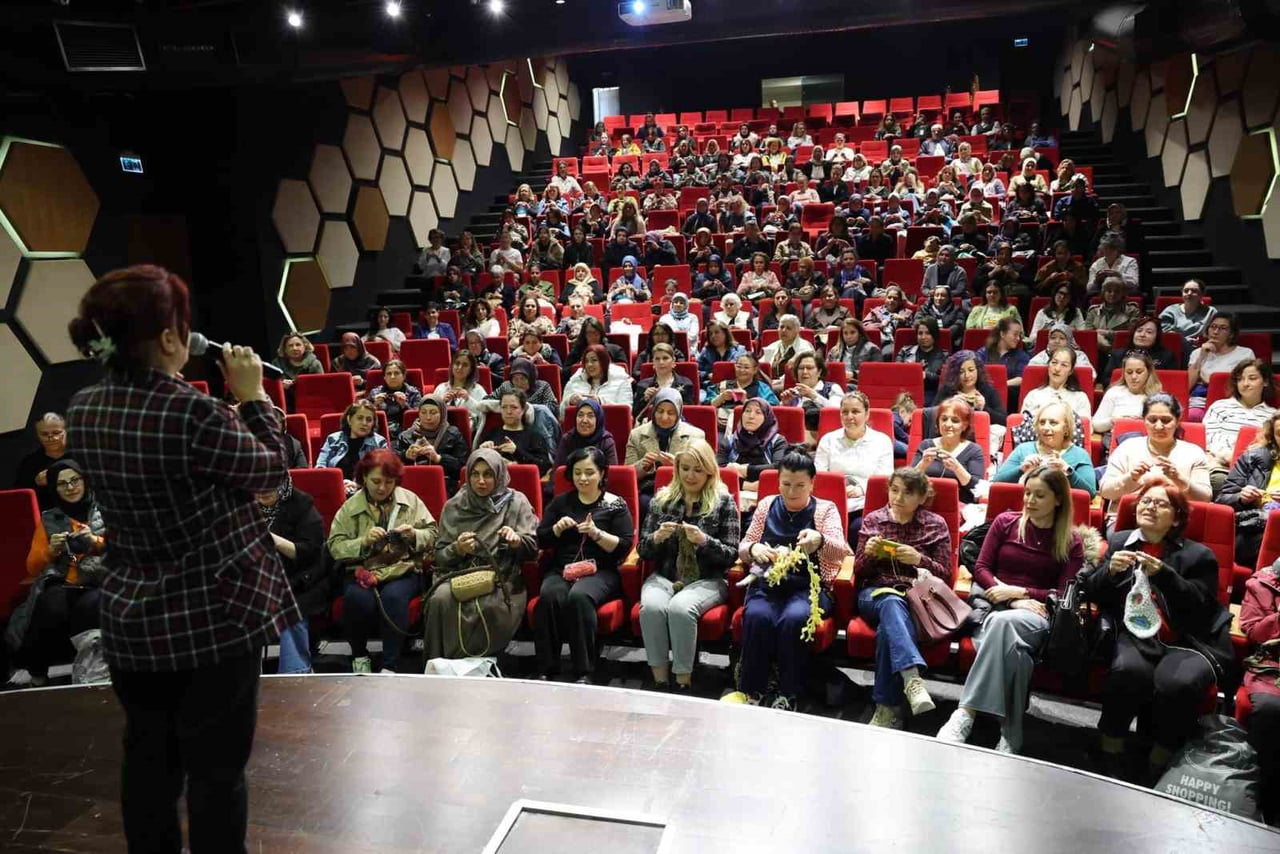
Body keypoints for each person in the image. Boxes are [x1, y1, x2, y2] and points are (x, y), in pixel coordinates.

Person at [65, 265, 296, 852]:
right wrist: (254, 397)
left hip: (132, 617)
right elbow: (271, 470)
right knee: (217, 773)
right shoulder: (190, 412)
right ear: (170, 337)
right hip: (210, 620)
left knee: (149, 764)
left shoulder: (84, 407)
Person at [1083, 482, 1234, 783]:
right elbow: (1093, 593)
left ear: (1176, 518)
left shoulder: (1199, 555)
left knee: (1178, 682)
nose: (1150, 507)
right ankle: (1110, 751)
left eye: (1160, 504)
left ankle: (1159, 761)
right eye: (1145, 501)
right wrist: (1109, 572)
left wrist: (1165, 575)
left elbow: (1200, 607)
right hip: (1137, 633)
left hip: (1189, 640)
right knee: (1128, 671)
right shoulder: (1121, 541)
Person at [938, 467, 1088, 752]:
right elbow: (981, 568)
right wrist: (1010, 599)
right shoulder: (1005, 522)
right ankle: (1011, 730)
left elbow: (1064, 593)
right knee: (1017, 655)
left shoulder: (1071, 541)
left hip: (1038, 616)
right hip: (993, 608)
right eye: (1027, 493)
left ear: (1058, 500)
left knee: (1004, 625)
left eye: (1039, 495)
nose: (1030, 500)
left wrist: (1021, 593)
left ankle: (966, 713)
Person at [729, 452, 850, 710]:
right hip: (767, 582)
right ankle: (753, 690)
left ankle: (789, 692)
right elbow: (745, 544)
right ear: (778, 482)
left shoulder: (826, 509)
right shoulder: (767, 505)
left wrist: (820, 540)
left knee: (793, 619)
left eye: (800, 485)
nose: (792, 491)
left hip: (809, 587)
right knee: (758, 616)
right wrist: (753, 549)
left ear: (812, 484)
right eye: (786, 484)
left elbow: (841, 551)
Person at [851, 467, 952, 727]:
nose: (898, 498)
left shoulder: (935, 524)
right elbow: (858, 571)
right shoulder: (874, 520)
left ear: (922, 497)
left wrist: (919, 560)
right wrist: (870, 553)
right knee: (891, 601)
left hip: (918, 599)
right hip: (874, 594)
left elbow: (945, 574)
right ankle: (912, 678)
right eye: (894, 490)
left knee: (889, 627)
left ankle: (887, 708)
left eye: (907, 493)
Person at [636, 439, 738, 692]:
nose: (690, 476)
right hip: (665, 576)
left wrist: (704, 541)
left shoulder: (723, 502)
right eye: (685, 468)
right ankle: (660, 681)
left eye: (698, 470)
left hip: (708, 579)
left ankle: (683, 682)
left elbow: (731, 556)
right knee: (652, 608)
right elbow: (642, 550)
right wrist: (657, 537)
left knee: (681, 608)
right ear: (677, 468)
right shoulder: (662, 500)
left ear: (709, 472)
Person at [327, 450, 436, 674]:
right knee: (357, 599)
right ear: (363, 478)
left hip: (403, 569)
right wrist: (363, 541)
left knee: (393, 597)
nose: (382, 488)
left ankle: (390, 664)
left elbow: (434, 534)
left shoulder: (410, 500)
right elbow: (335, 546)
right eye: (376, 481)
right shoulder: (350, 507)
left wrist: (414, 535)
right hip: (362, 571)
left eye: (389, 482)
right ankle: (359, 655)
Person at [426, 449, 537, 660]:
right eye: (475, 474)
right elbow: (439, 556)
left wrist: (516, 542)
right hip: (458, 574)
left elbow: (532, 548)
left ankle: (480, 664)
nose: (481, 481)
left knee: (488, 606)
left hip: (501, 577)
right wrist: (458, 549)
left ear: (499, 475)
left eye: (488, 474)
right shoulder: (455, 506)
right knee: (440, 599)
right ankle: (442, 664)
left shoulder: (516, 502)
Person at [535, 446, 635, 681]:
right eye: (577, 472)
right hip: (563, 568)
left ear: (602, 473)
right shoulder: (561, 502)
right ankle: (547, 669)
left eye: (589, 472)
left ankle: (584, 670)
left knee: (579, 596)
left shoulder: (615, 504)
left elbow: (624, 546)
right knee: (549, 596)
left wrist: (596, 533)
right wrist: (556, 530)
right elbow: (541, 538)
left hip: (600, 570)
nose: (583, 478)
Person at [10, 460, 105, 687]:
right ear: (54, 488)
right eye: (62, 484)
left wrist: (94, 541)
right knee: (50, 604)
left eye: (75, 480)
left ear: (85, 481)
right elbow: (32, 568)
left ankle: (90, 672)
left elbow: (124, 548)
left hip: (101, 579)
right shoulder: (50, 518)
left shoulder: (107, 510)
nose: (70, 487)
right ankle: (37, 673)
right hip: (65, 582)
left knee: (88, 606)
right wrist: (50, 551)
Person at [1098, 393, 1211, 521]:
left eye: (1166, 420)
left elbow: (1205, 498)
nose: (1159, 426)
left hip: (1174, 521)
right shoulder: (1127, 447)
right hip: (1128, 519)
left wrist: (1179, 479)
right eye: (1152, 420)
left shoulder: (1194, 452)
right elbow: (1106, 492)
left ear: (1177, 421)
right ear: (1144, 420)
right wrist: (1131, 477)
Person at [255, 475, 326, 675]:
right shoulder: (241, 506)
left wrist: (272, 540)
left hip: (298, 579)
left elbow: (310, 552)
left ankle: (295, 674)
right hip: (254, 578)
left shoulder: (301, 504)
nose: (263, 493)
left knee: (288, 605)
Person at [815, 392, 894, 538]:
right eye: (845, 412)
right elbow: (819, 475)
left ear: (867, 414)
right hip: (831, 502)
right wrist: (838, 490)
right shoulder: (828, 440)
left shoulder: (882, 441)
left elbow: (884, 479)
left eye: (855, 411)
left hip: (865, 503)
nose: (849, 416)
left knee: (858, 528)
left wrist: (860, 489)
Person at [1240, 560, 1280, 825]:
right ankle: (1265, 797)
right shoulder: (1262, 584)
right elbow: (1253, 631)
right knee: (1270, 709)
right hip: (1272, 666)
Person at [1217, 411, 1280, 569]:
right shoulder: (1252, 457)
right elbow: (1222, 500)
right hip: (1254, 529)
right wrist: (1241, 497)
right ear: (1273, 436)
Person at [994, 402, 1097, 495]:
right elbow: (996, 483)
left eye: (1053, 423)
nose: (1046, 428)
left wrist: (1067, 470)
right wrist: (1021, 469)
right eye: (1042, 422)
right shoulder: (1023, 449)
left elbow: (1090, 493)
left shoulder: (1080, 455)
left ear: (1066, 428)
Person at [1202, 359, 1276, 485]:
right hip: (1220, 464)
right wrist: (1231, 457)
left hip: (1257, 468)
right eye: (1240, 379)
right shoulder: (1219, 407)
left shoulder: (1272, 415)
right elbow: (1208, 439)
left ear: (1265, 381)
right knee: (1219, 480)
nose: (1245, 384)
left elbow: (1273, 446)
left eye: (1252, 378)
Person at [912, 397, 987, 503]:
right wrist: (923, 465)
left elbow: (977, 488)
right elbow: (908, 481)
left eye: (955, 421)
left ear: (964, 426)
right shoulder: (926, 445)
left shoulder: (974, 450)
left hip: (959, 504)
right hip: (925, 503)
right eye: (944, 419)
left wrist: (957, 468)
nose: (948, 424)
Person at [718, 398, 790, 507]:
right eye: (747, 411)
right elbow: (717, 471)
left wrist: (745, 470)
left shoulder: (777, 441)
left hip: (769, 500)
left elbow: (779, 468)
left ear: (767, 417)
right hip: (732, 498)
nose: (751, 416)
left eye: (758, 412)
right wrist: (748, 486)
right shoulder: (730, 440)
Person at [1188, 313, 1255, 421]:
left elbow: (1245, 385)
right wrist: (1201, 357)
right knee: (1192, 416)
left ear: (1231, 334)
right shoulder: (1197, 353)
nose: (1215, 332)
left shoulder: (1245, 354)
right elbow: (1188, 385)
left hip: (1230, 402)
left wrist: (1208, 381)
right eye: (1213, 327)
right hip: (1200, 403)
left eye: (1222, 328)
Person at [395, 396, 468, 492]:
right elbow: (392, 466)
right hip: (411, 484)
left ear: (442, 414)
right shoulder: (405, 436)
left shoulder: (453, 435)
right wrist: (405, 456)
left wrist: (439, 458)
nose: (428, 417)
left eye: (433, 413)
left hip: (444, 485)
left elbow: (462, 468)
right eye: (423, 412)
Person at [315, 399, 389, 492]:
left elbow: (384, 472)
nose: (364, 423)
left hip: (366, 492)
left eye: (369, 420)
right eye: (360, 418)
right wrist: (337, 484)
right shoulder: (333, 439)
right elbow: (320, 467)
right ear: (349, 419)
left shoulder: (379, 443)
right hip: (333, 490)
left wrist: (358, 484)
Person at [478, 389, 553, 476]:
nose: (508, 412)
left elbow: (544, 467)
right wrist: (481, 452)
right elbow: (475, 465)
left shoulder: (534, 436)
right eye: (504, 407)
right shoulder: (492, 434)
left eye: (514, 407)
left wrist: (516, 452)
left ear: (523, 409)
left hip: (522, 480)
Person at [1093, 353, 1161, 445]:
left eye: (1139, 372)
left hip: (1148, 443)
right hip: (1116, 443)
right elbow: (1096, 425)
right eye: (1129, 372)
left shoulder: (1157, 397)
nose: (1133, 377)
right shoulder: (1114, 392)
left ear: (1148, 372)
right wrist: (1114, 421)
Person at [935, 350, 1008, 431]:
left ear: (978, 371)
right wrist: (950, 404)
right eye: (961, 372)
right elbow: (931, 415)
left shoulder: (988, 391)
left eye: (971, 370)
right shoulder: (947, 391)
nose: (967, 375)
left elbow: (1004, 420)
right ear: (955, 374)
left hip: (981, 433)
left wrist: (984, 408)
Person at [12, 412, 71, 511]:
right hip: (46, 515)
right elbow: (18, 497)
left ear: (66, 432)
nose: (51, 438)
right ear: (37, 435)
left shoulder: (82, 456)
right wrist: (36, 483)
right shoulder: (30, 462)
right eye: (44, 434)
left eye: (56, 433)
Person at [1100, 315, 1179, 384]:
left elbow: (1172, 382)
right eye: (1139, 331)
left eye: (1149, 332)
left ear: (1156, 337)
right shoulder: (1117, 355)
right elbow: (1106, 380)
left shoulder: (1167, 356)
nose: (1142, 335)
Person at [780, 352, 844, 437]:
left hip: (825, 437)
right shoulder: (792, 393)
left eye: (809, 368)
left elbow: (838, 413)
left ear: (819, 372)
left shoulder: (832, 388)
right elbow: (782, 423)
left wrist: (813, 396)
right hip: (795, 438)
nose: (804, 372)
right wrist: (785, 405)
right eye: (801, 368)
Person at [1021, 345, 1093, 420]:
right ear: (1048, 365)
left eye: (1064, 365)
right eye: (1054, 362)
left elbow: (1085, 425)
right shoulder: (1033, 396)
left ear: (1071, 371)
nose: (1057, 369)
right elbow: (1023, 423)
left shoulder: (1080, 398)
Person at [562, 343, 634, 415]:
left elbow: (626, 411)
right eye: (586, 361)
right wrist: (569, 401)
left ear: (604, 362)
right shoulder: (575, 380)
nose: (589, 364)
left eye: (594, 360)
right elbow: (561, 413)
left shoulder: (621, 380)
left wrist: (601, 402)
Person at [976, 316, 1030, 409]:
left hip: (1010, 399)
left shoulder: (1022, 356)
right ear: (1002, 334)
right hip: (984, 396)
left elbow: (1021, 378)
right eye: (1015, 334)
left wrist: (1001, 385)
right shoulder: (983, 353)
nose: (1018, 338)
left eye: (1019, 335)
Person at [432, 350, 487, 437]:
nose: (460, 367)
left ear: (471, 369)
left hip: (468, 434)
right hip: (441, 434)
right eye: (457, 363)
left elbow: (486, 414)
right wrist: (442, 402)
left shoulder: (477, 389)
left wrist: (468, 400)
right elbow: (429, 413)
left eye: (465, 365)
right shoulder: (441, 388)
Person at [634, 342, 695, 419]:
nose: (661, 362)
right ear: (653, 362)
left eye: (665, 358)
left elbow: (690, 413)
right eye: (657, 359)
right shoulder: (643, 385)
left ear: (673, 361)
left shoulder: (685, 383)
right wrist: (645, 399)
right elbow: (635, 414)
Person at [368, 359, 423, 441]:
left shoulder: (414, 393)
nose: (392, 377)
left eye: (396, 373)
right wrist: (375, 406)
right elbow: (366, 416)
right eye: (389, 374)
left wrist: (404, 405)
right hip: (380, 432)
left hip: (406, 433)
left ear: (404, 376)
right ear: (384, 377)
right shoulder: (375, 393)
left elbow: (418, 418)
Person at [896, 317, 948, 403]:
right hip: (907, 394)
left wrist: (926, 375)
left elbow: (946, 381)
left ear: (934, 335)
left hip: (933, 395)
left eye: (927, 333)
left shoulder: (945, 356)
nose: (923, 337)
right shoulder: (904, 351)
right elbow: (897, 373)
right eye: (920, 333)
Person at [556, 398, 619, 467]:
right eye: (580, 415)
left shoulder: (606, 442)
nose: (584, 420)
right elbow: (558, 471)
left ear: (598, 420)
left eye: (590, 416)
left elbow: (612, 472)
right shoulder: (567, 439)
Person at [760, 314, 815, 380]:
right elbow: (761, 366)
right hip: (771, 383)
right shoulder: (772, 346)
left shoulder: (805, 348)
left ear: (797, 331)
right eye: (781, 327)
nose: (784, 330)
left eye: (788, 328)